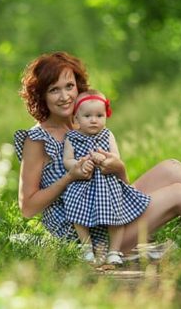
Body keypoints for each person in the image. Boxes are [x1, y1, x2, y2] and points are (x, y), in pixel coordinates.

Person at [14, 51, 181, 261]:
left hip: (111, 214)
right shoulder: (37, 140)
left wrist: (118, 168)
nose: (65, 97)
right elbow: (28, 208)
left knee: (171, 167)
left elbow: (120, 186)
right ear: (41, 95)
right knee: (178, 194)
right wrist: (70, 177)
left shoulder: (84, 124)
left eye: (69, 86)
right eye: (54, 90)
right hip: (87, 236)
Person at [62, 89, 151, 265]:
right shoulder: (71, 137)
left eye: (99, 115)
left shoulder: (107, 135)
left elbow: (116, 158)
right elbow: (67, 161)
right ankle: (86, 248)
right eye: (87, 116)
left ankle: (114, 251)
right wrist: (79, 165)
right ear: (76, 119)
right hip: (82, 184)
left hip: (107, 184)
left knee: (117, 218)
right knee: (77, 216)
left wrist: (103, 159)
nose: (94, 120)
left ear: (106, 117)